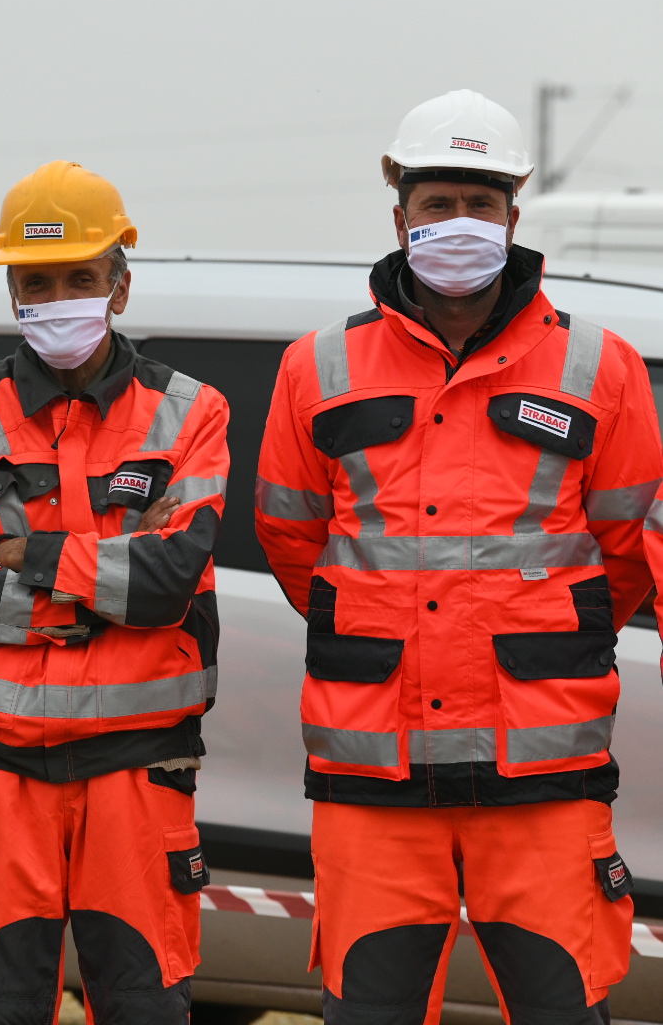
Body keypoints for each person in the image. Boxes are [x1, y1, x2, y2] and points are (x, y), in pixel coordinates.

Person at [255, 90, 662, 1025]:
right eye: (438, 204)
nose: (459, 225)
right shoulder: (316, 367)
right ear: (399, 216)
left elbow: (626, 552)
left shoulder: (601, 366)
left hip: (542, 776)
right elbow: (292, 541)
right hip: (376, 777)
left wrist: (545, 635)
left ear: (515, 216)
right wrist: (382, 623)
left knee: (567, 1011)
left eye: (480, 205)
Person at [0, 161, 229, 1023]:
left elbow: (169, 585)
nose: (58, 297)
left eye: (80, 279)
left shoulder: (190, 411)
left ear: (119, 287)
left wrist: (24, 552)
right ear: (13, 292)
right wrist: (97, 588)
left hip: (137, 773)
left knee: (145, 1008)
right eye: (37, 281)